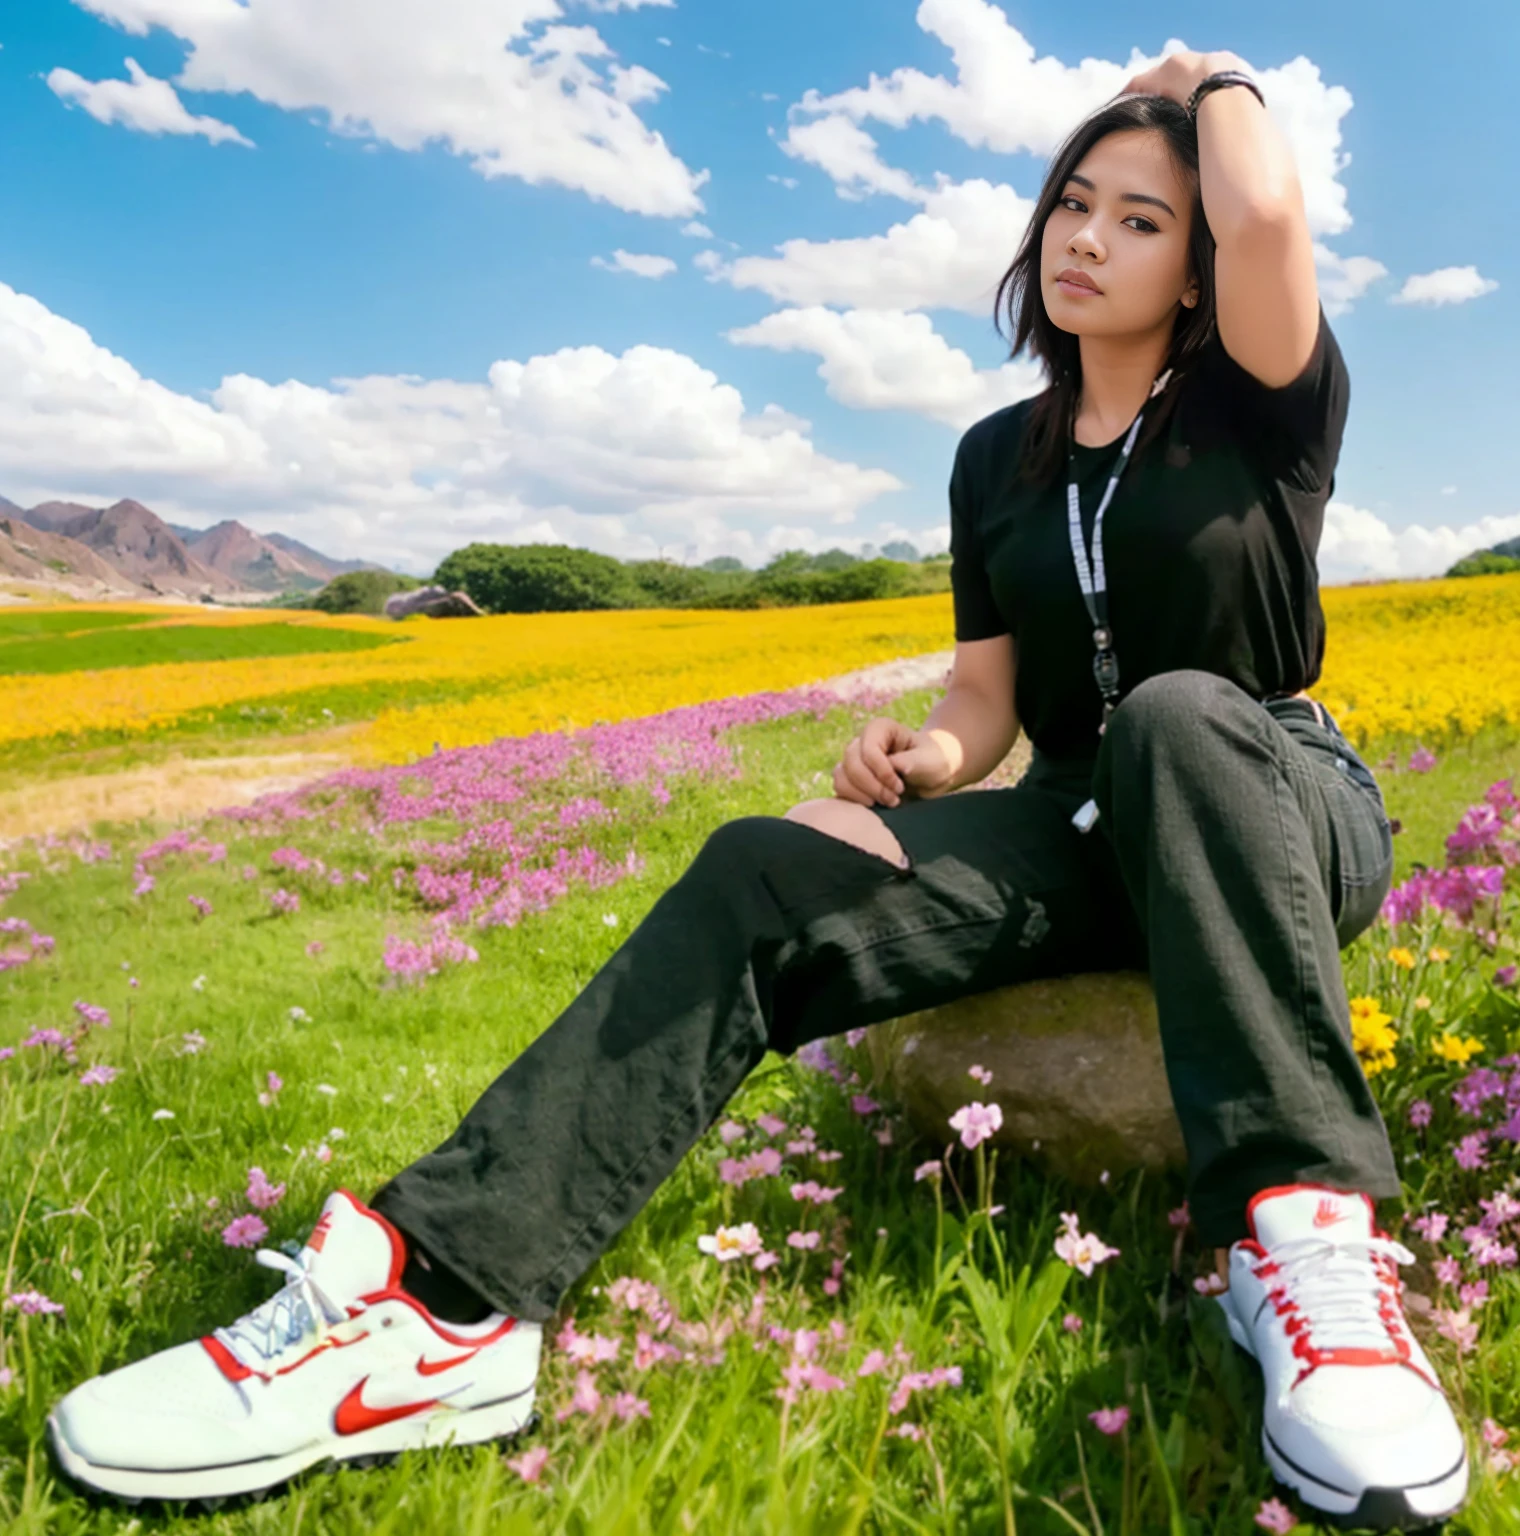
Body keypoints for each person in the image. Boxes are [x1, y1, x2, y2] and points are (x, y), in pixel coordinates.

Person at [47, 53, 1468, 1530]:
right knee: (763, 861)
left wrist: (1210, 76)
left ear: (1197, 271)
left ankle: (1307, 1251)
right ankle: (438, 1304)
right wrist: (919, 766)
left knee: (1178, 719)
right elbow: (985, 697)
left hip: (1267, 788)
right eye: (1070, 202)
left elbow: (1273, 213)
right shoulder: (996, 459)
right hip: (1076, 817)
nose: (1085, 237)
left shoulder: (1258, 402)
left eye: (1140, 218)